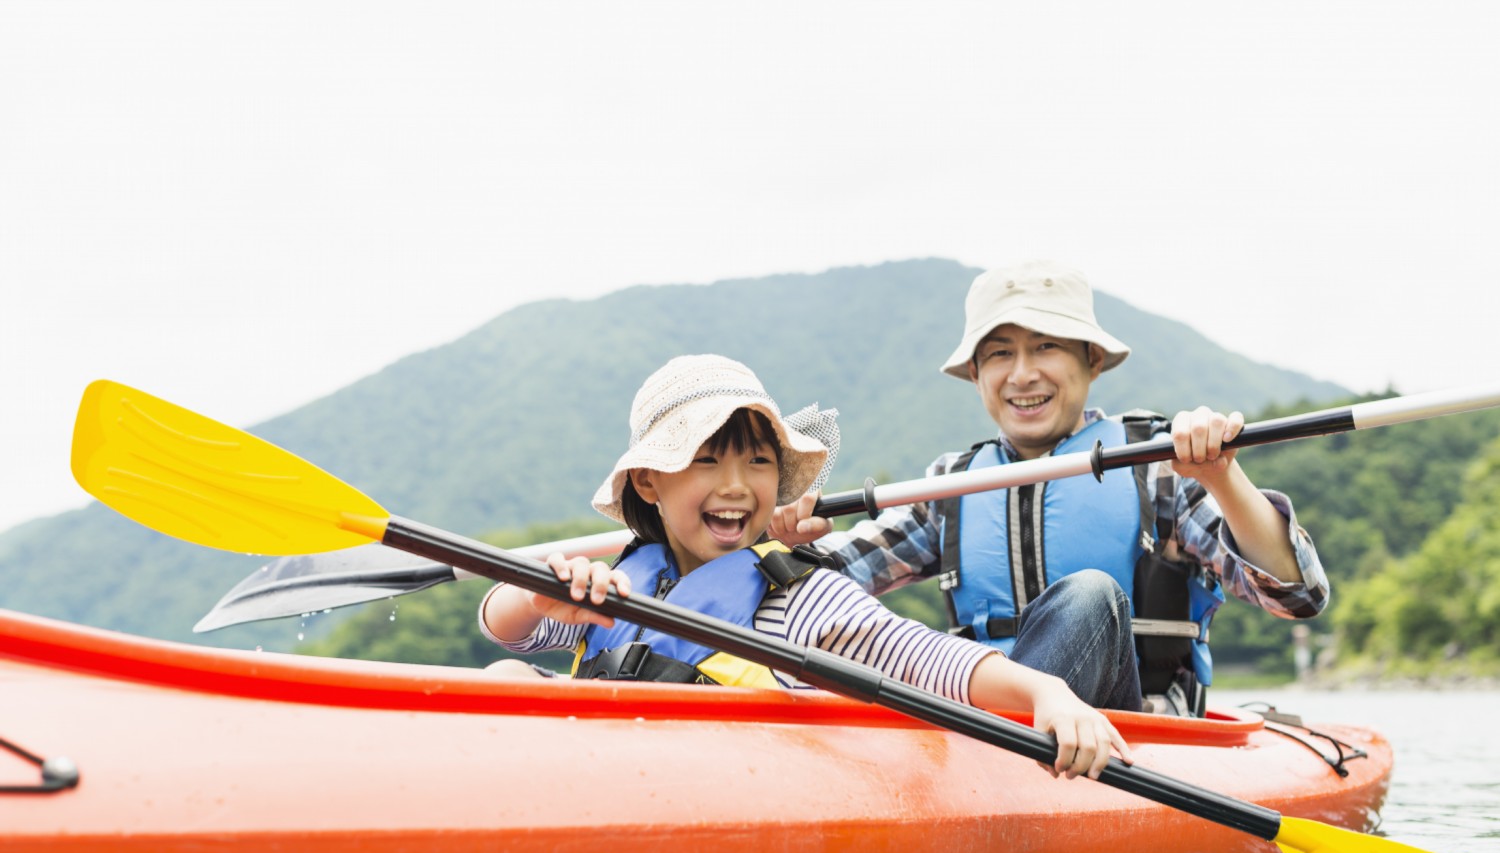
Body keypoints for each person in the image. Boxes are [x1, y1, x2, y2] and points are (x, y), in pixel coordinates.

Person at [479, 353, 1133, 778]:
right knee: (507, 675)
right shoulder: (615, 587)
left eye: (757, 462)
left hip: (730, 795)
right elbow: (503, 627)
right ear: (649, 482)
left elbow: (930, 660)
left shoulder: (800, 597)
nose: (736, 485)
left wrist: (1047, 692)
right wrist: (540, 597)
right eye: (706, 460)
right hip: (607, 776)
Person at [768, 260, 1329, 716]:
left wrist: (1218, 474)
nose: (1022, 374)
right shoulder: (951, 485)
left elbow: (1296, 595)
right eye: (1000, 354)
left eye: (1045, 348)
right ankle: (995, 742)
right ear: (978, 376)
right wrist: (791, 544)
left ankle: (1004, 749)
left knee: (1090, 595)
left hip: (1136, 732)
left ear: (1091, 361)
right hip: (980, 722)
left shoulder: (1157, 464)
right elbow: (821, 586)